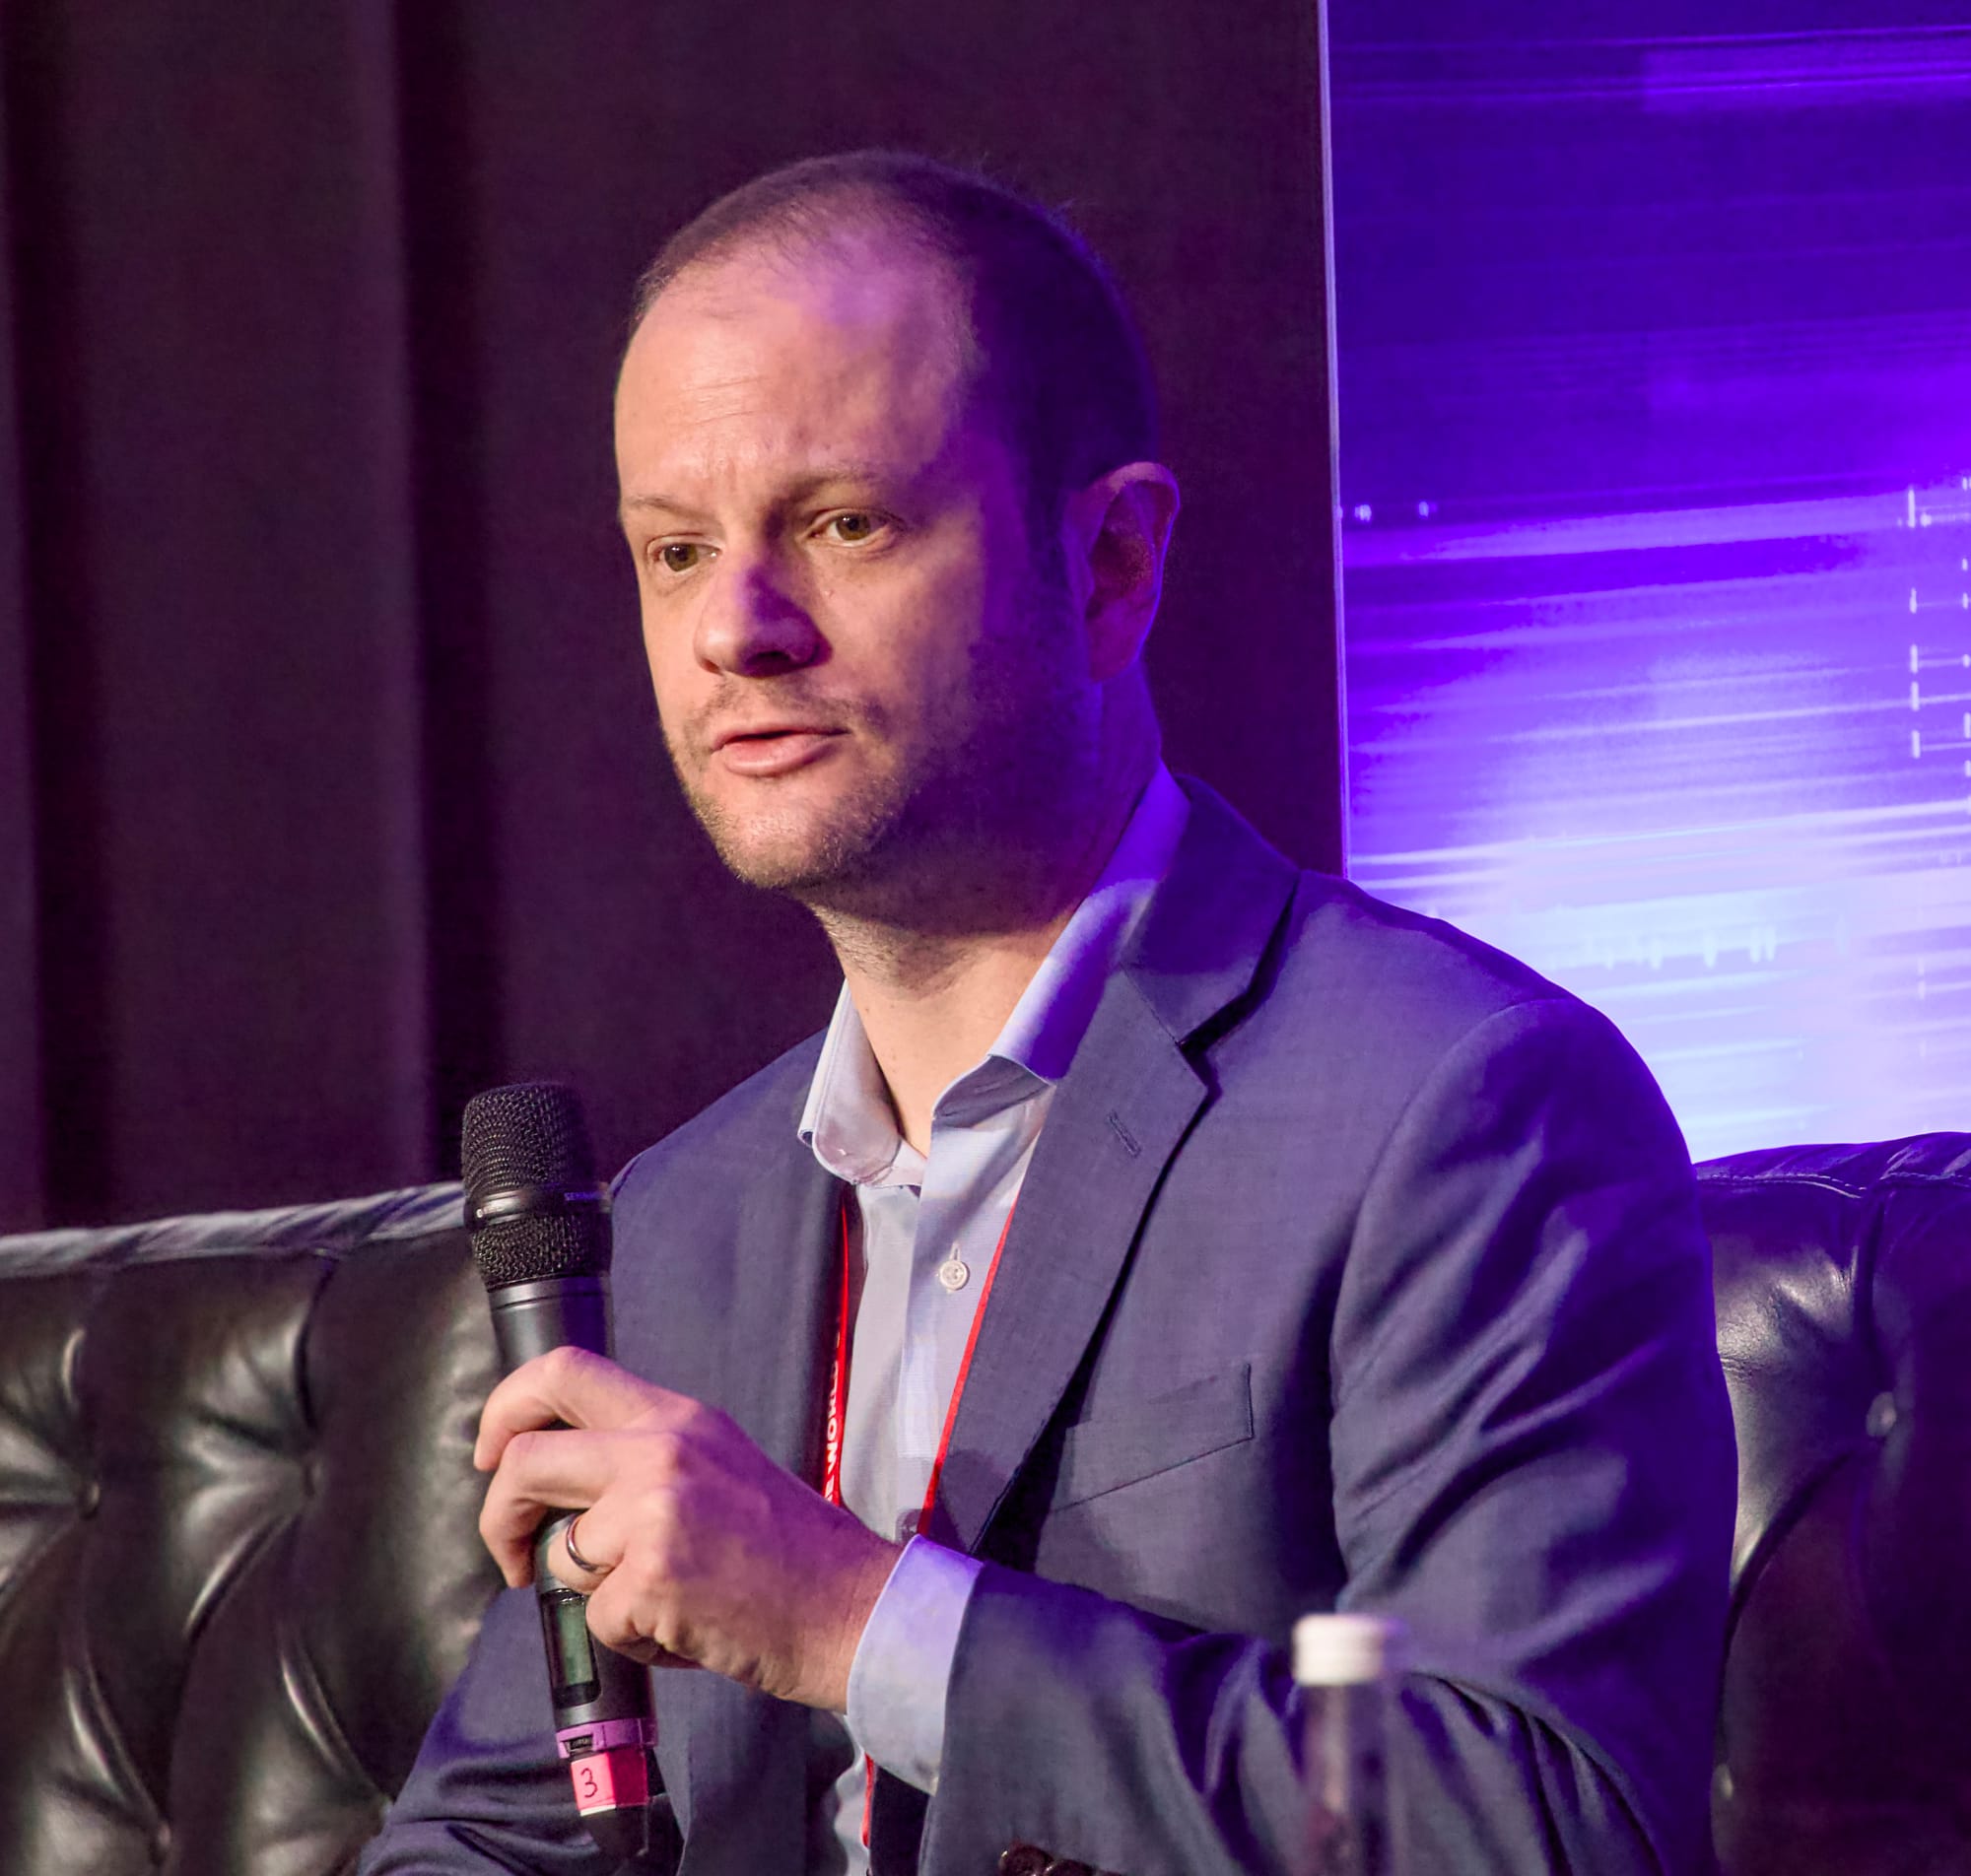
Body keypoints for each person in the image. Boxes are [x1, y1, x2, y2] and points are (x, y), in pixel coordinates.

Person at [360, 150, 1734, 1876]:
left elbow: (1520, 1812)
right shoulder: (679, 1221)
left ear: (1109, 563)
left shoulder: (1461, 1111)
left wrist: (858, 1620)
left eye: (842, 523)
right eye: (676, 549)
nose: (735, 627)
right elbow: (492, 1834)